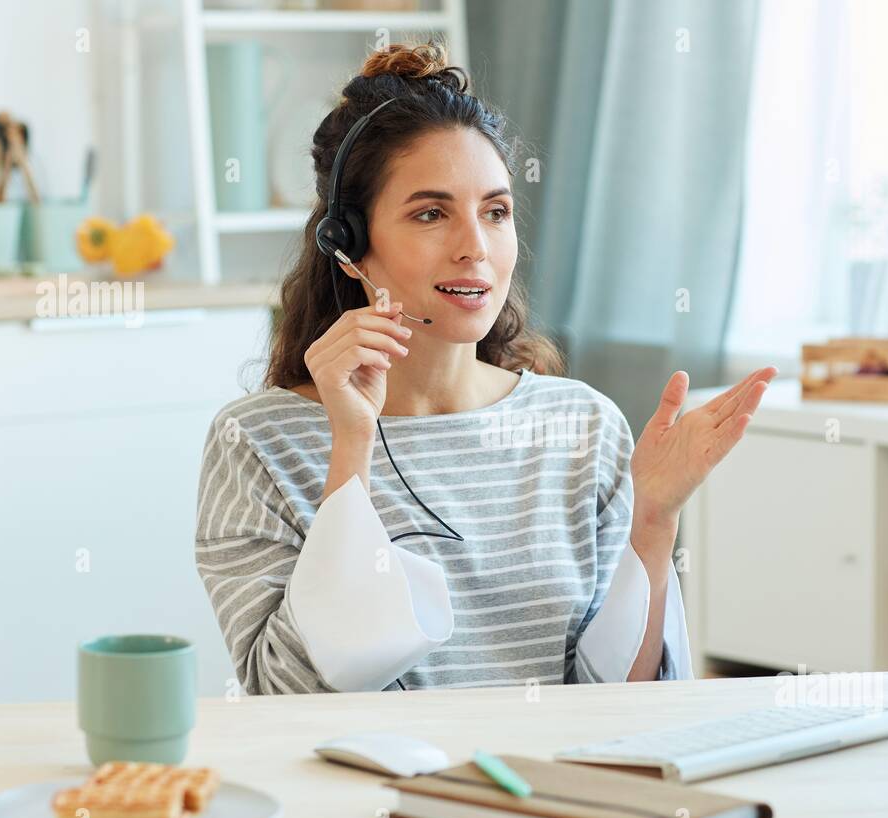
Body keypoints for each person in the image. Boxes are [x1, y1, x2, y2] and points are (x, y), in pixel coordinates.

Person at [194, 41, 775, 694]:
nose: (476, 248)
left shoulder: (583, 424)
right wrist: (350, 449)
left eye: (495, 212)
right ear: (348, 246)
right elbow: (288, 696)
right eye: (431, 214)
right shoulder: (259, 442)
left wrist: (654, 520)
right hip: (373, 795)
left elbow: (618, 702)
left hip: (548, 791)